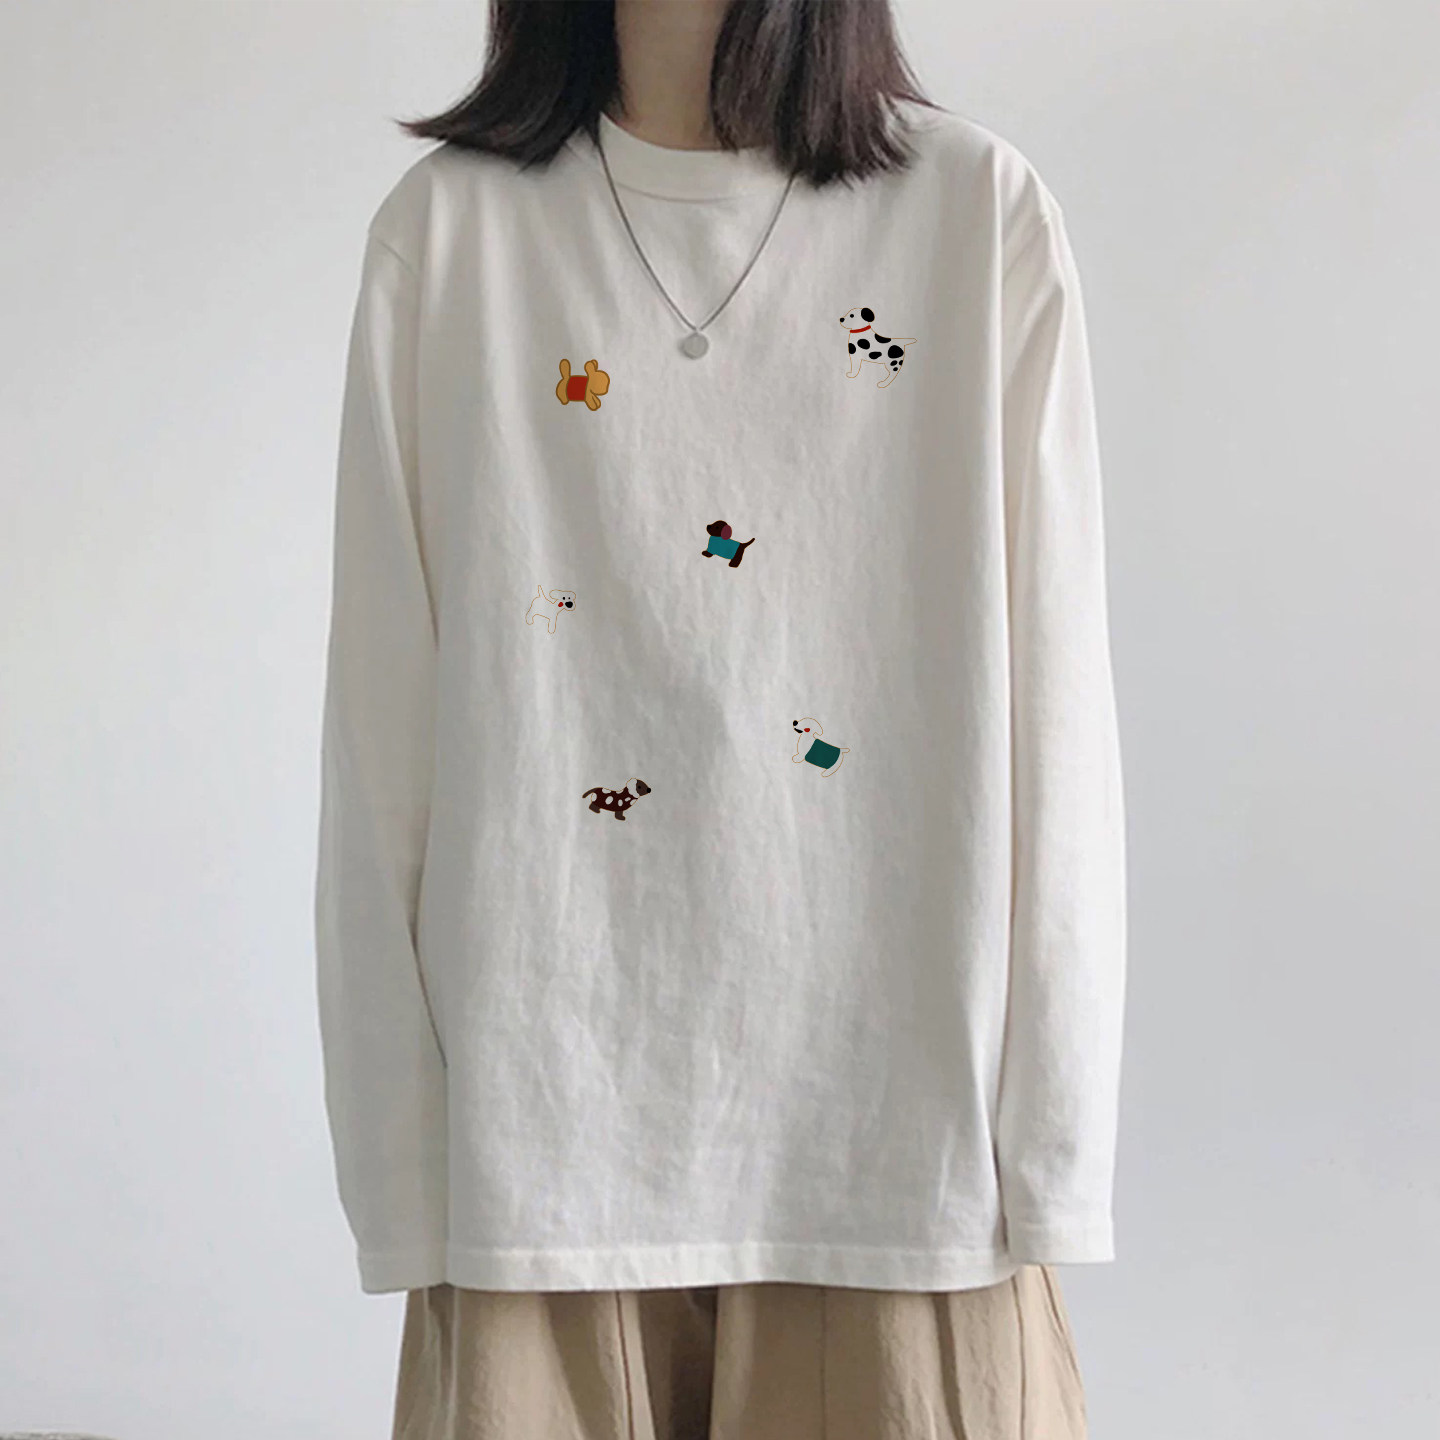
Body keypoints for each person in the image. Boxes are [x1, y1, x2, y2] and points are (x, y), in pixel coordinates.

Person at [314, 1, 1127, 1435]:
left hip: (901, 1154)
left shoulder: (973, 216)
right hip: (547, 1141)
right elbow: (383, 736)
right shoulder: (449, 238)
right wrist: (401, 1161)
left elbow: (1056, 708)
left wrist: (1051, 1142)